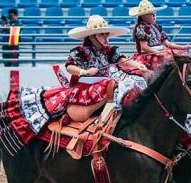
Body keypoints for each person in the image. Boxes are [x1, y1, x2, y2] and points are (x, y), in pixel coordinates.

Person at [9, 15, 149, 143]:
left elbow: (122, 60)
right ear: (93, 36)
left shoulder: (109, 50)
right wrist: (85, 72)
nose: (106, 38)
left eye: (106, 34)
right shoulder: (80, 52)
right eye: (102, 34)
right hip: (87, 87)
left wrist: (138, 64)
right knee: (111, 85)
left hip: (104, 84)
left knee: (130, 81)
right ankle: (103, 123)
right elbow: (70, 67)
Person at [129, 0, 191, 70]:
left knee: (183, 56)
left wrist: (182, 47)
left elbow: (167, 43)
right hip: (149, 55)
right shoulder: (140, 28)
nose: (154, 16)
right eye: (150, 14)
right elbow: (144, 47)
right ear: (143, 16)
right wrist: (157, 53)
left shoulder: (156, 26)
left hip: (160, 51)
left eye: (154, 13)